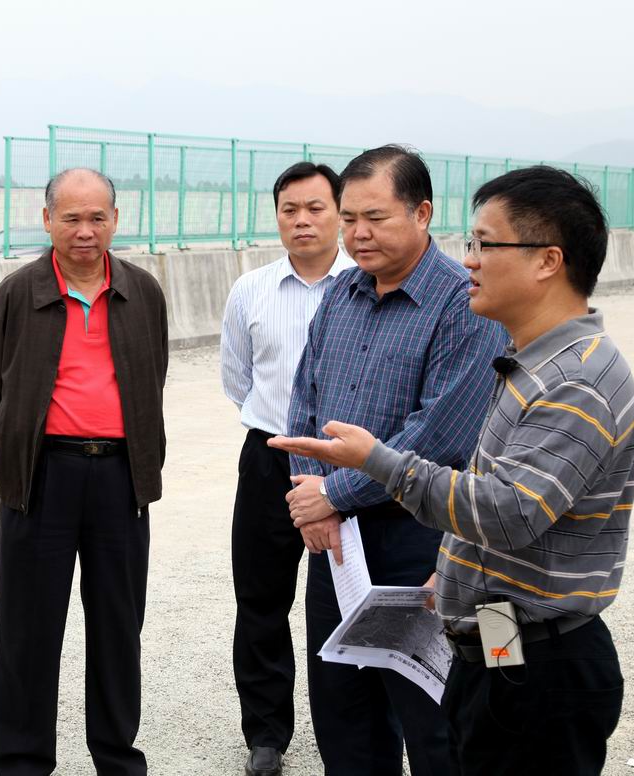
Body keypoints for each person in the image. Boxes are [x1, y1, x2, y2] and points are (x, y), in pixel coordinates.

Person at [271, 165, 634, 776]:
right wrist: (453, 569)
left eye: (485, 244)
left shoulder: (576, 379)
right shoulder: (530, 362)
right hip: (497, 624)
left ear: (547, 261)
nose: (469, 259)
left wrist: (369, 465)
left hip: (536, 645)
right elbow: (306, 399)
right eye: (471, 242)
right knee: (378, 712)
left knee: (456, 735)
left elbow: (510, 510)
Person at [284, 145, 508, 776]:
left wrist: (332, 495)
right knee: (344, 713)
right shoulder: (342, 293)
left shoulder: (462, 303)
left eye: (376, 217)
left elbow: (438, 433)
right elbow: (304, 400)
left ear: (422, 213)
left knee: (436, 715)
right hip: (338, 544)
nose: (358, 233)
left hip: (423, 537)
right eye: (349, 218)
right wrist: (313, 497)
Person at [0, 167, 169, 776]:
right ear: (47, 219)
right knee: (27, 630)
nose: (85, 230)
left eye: (97, 218)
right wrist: (27, 433)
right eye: (72, 218)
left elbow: (153, 374)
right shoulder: (16, 293)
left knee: (118, 626)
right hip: (41, 476)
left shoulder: (142, 291)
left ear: (116, 219)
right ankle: (22, 763)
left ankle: (117, 757)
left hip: (119, 477)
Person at [220, 162, 354, 776]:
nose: (302, 220)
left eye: (315, 208)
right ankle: (266, 734)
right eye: (289, 210)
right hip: (268, 459)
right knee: (261, 600)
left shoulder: (363, 286)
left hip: (345, 467)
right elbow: (237, 377)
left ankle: (351, 729)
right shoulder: (251, 290)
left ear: (339, 213)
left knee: (349, 599)